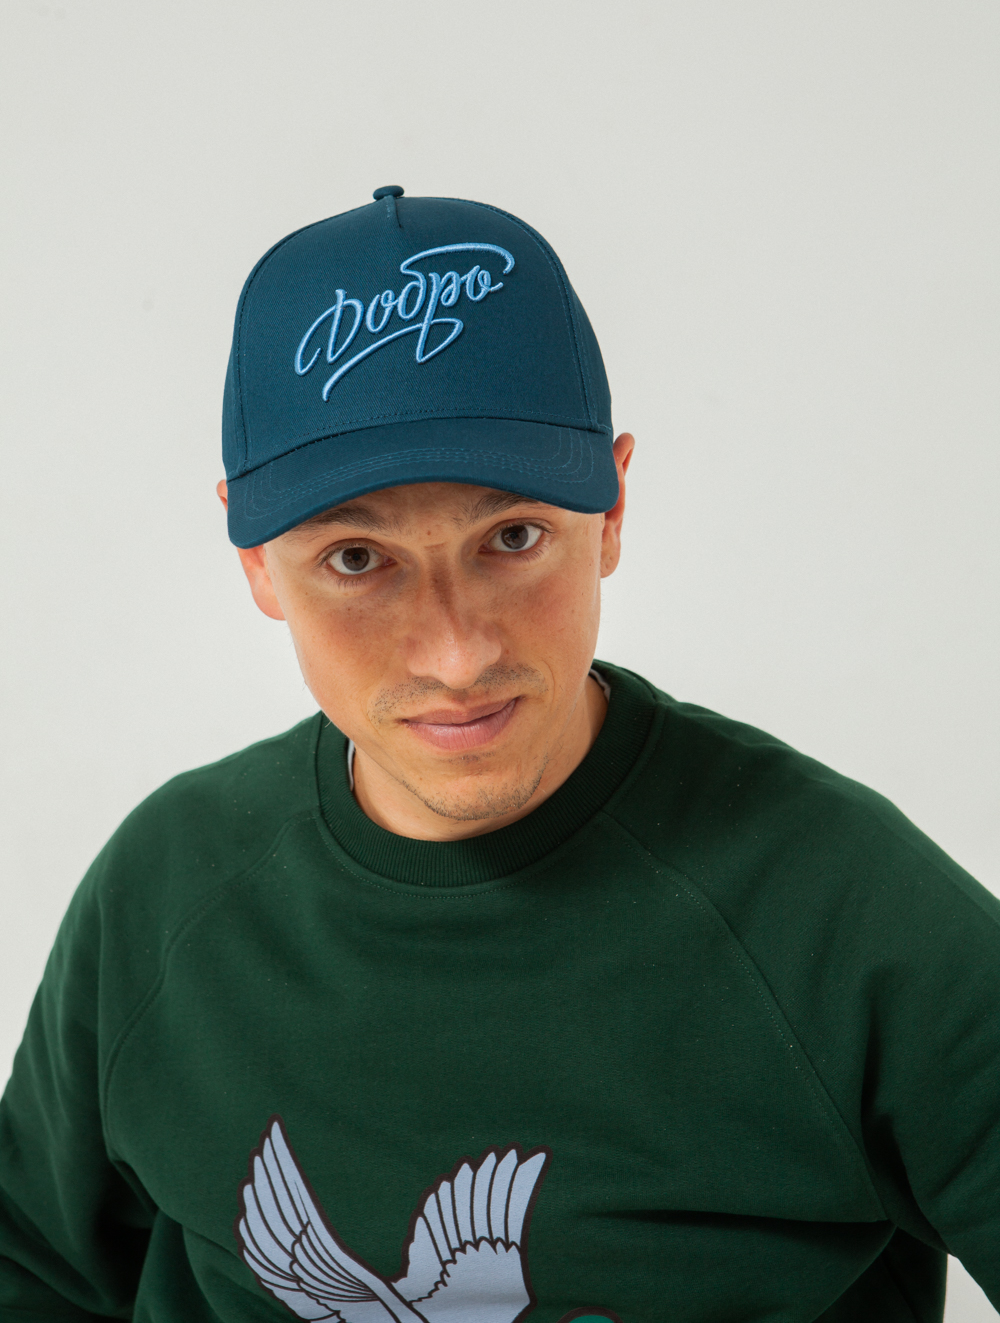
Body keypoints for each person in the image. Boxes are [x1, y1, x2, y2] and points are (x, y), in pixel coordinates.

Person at [0, 187, 997, 1323]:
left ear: (610, 510)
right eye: (356, 558)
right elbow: (30, 1271)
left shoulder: (839, 910)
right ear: (258, 564)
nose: (456, 653)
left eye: (512, 537)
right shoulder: (168, 892)